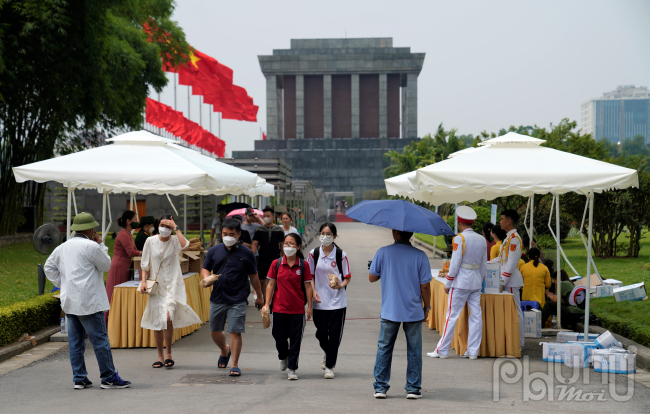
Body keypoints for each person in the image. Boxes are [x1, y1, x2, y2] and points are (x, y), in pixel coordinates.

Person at [44, 212, 131, 389]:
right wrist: (101, 245)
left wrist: (63, 282)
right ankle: (108, 377)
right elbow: (106, 265)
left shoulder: (63, 247)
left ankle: (79, 378)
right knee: (100, 341)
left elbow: (48, 267)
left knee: (76, 342)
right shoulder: (91, 246)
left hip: (70, 300)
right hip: (89, 300)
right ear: (91, 229)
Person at [369, 229, 431, 400]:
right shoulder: (420, 256)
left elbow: (372, 277)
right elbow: (425, 286)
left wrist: (378, 267)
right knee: (414, 350)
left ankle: (380, 387)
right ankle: (413, 388)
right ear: (410, 234)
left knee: (384, 348)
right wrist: (427, 307)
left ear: (395, 233)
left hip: (390, 310)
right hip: (413, 311)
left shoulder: (382, 252)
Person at [202, 218, 264, 377]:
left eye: (231, 234)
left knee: (235, 331)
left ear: (238, 235)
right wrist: (207, 277)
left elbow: (254, 275)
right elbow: (205, 268)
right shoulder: (214, 250)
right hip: (218, 296)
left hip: (238, 297)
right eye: (224, 233)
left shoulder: (247, 253)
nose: (227, 236)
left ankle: (235, 364)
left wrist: (259, 296)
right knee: (214, 331)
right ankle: (225, 349)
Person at [139, 215, 201, 368]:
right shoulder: (150, 241)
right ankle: (160, 355)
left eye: (168, 226)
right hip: (157, 286)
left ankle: (169, 353)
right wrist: (143, 281)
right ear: (157, 225)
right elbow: (144, 263)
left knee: (167, 318)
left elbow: (185, 245)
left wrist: (176, 227)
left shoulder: (175, 240)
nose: (164, 228)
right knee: (158, 321)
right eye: (162, 224)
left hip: (174, 285)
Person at [428, 206, 487, 360]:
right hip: (475, 281)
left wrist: (448, 282)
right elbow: (484, 264)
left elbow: (455, 264)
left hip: (461, 281)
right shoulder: (481, 239)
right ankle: (473, 351)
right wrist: (479, 280)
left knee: (451, 316)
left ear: (459, 222)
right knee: (476, 317)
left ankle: (442, 350)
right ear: (472, 222)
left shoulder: (459, 238)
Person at [263, 233, 314, 381]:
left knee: (296, 340)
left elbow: (308, 286)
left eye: (291, 244)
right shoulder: (276, 263)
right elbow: (270, 285)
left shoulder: (304, 265)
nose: (288, 246)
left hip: (297, 309)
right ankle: (283, 356)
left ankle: (292, 368)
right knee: (278, 336)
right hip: (279, 308)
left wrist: (309, 307)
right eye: (286, 243)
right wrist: (267, 304)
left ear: (298, 247)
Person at [307, 223, 351, 379]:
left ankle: (329, 366)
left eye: (329, 234)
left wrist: (340, 286)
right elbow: (309, 276)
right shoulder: (314, 253)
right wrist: (313, 291)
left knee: (334, 334)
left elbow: (347, 277)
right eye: (323, 233)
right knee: (320, 333)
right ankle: (328, 352)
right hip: (319, 302)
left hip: (337, 302)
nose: (325, 236)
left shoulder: (340, 255)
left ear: (334, 236)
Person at [493, 209, 525, 348]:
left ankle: (519, 342)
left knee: (515, 312)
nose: (500, 221)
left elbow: (511, 264)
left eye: (501, 219)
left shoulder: (514, 240)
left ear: (508, 221)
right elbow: (502, 259)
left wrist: (502, 282)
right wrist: (487, 264)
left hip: (510, 280)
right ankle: (512, 341)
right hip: (506, 278)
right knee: (509, 312)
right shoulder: (508, 238)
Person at [105, 210, 142, 324]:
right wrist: (144, 252)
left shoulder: (128, 233)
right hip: (119, 266)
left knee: (121, 293)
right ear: (128, 221)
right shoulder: (123, 234)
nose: (137, 222)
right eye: (135, 220)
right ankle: (109, 322)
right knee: (115, 294)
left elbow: (134, 250)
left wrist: (142, 252)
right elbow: (131, 252)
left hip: (124, 265)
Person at [252, 207, 285, 302]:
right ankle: (266, 298)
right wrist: (251, 257)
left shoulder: (279, 229)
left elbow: (282, 245)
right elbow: (254, 244)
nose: (266, 217)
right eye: (264, 216)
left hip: (275, 257)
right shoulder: (259, 230)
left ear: (273, 217)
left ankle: (275, 297)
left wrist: (284, 258)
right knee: (262, 279)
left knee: (275, 279)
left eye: (268, 216)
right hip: (262, 258)